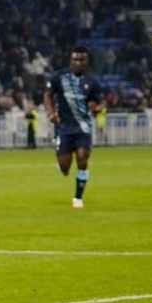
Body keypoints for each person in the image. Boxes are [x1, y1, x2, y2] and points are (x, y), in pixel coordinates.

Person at [44, 46, 101, 209]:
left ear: (86, 60)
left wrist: (95, 107)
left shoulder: (92, 81)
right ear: (71, 60)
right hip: (64, 127)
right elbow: (47, 94)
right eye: (75, 59)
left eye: (81, 59)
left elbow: (95, 100)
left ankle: (78, 197)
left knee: (83, 158)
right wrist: (50, 112)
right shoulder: (58, 77)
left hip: (83, 127)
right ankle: (58, 150)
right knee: (65, 168)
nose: (78, 62)